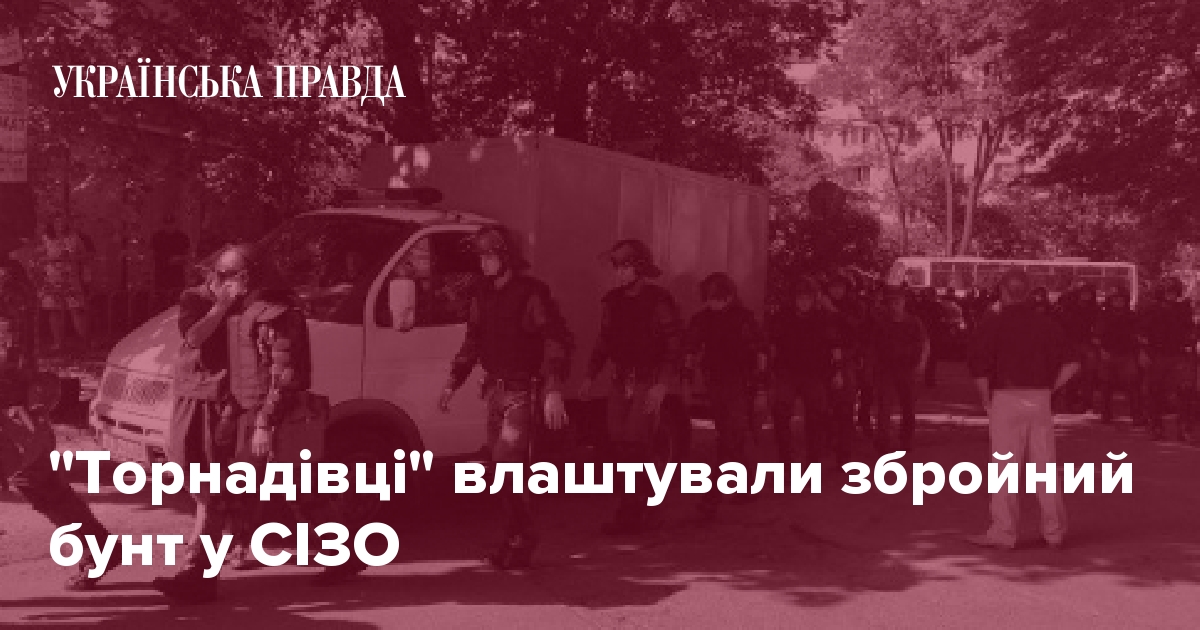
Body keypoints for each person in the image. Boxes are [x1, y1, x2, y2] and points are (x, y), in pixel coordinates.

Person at [152, 244, 313, 603]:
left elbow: (284, 375)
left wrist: (264, 423)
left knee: (300, 492)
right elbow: (241, 374)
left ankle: (344, 554)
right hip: (243, 414)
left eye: (226, 275)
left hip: (269, 417)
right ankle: (198, 577)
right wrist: (231, 417)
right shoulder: (244, 311)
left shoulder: (276, 314)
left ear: (246, 276)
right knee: (224, 494)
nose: (219, 281)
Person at [439, 226, 573, 569]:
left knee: (506, 466)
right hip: (495, 393)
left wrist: (553, 388)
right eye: (481, 256)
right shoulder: (482, 294)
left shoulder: (530, 293)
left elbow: (555, 338)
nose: (484, 263)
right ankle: (516, 537)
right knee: (502, 473)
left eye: (490, 255)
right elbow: (472, 341)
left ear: (506, 257)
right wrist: (453, 382)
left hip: (520, 392)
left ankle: (522, 537)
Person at [1, 252, 124, 590]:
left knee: (41, 485)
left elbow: (9, 349)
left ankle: (99, 548)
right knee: (42, 485)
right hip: (19, 405)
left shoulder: (6, 283)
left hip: (11, 407)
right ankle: (100, 547)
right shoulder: (12, 277)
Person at [967, 269, 1079, 551]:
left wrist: (986, 400)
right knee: (1045, 466)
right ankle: (1054, 532)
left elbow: (980, 366)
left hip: (1005, 397)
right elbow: (1073, 363)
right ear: (1029, 293)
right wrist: (1050, 388)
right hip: (1039, 397)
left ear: (1003, 291)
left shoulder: (992, 323)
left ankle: (1004, 532)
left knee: (1004, 468)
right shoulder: (1047, 324)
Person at [581, 239, 683, 536]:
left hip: (647, 380)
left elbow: (674, 345)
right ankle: (630, 510)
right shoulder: (612, 301)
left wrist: (662, 385)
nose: (620, 272)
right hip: (620, 380)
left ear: (639, 268)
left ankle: (645, 510)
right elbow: (604, 341)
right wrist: (589, 376)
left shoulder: (658, 301)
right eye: (617, 267)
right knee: (620, 445)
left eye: (625, 266)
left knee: (638, 445)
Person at [686, 272, 767, 519]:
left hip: (738, 383)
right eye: (710, 298)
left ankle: (713, 495)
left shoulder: (743, 319)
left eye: (717, 297)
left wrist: (760, 387)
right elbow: (690, 347)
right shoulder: (703, 319)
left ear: (729, 296)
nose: (713, 302)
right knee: (728, 435)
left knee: (730, 437)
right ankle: (747, 483)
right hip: (716, 382)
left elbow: (760, 354)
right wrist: (687, 377)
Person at [769, 277, 837, 464]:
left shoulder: (823, 319)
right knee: (781, 414)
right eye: (800, 297)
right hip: (787, 372)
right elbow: (772, 344)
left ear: (814, 299)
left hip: (814, 374)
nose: (803, 301)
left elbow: (835, 345)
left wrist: (837, 371)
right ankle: (786, 460)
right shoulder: (783, 317)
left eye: (807, 297)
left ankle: (813, 461)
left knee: (816, 418)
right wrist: (769, 370)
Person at [869, 286, 928, 454]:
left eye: (898, 302)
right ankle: (883, 441)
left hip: (907, 369)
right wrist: (873, 367)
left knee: (908, 407)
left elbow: (923, 344)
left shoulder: (914, 322)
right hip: (886, 370)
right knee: (884, 407)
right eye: (892, 302)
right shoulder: (882, 323)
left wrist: (921, 364)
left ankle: (906, 439)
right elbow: (874, 346)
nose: (895, 306)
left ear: (903, 303)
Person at [1139, 277, 1196, 441]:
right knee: (1155, 392)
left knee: (1184, 392)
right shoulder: (1152, 310)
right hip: (1157, 355)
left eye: (1173, 291)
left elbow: (1190, 330)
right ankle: (1156, 427)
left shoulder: (1184, 309)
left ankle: (1184, 428)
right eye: (1167, 291)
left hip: (1179, 354)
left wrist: (1191, 342)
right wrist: (1143, 352)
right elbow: (1142, 333)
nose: (1170, 294)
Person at [34, 216, 90, 353]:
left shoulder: (74, 238)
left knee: (76, 309)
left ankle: (85, 342)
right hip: (52, 279)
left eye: (63, 221)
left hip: (71, 279)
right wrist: (51, 259)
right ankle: (58, 343)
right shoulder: (46, 239)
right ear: (52, 224)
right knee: (54, 311)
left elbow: (85, 256)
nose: (60, 224)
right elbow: (36, 257)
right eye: (57, 222)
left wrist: (73, 258)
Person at [1095, 288, 1142, 424]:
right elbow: (1096, 336)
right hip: (1108, 354)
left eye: (1121, 300)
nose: (1118, 302)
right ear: (1110, 301)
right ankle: (1106, 414)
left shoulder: (1132, 316)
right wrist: (1101, 351)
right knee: (1106, 385)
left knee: (1132, 385)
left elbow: (1137, 335)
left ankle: (1136, 415)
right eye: (1115, 299)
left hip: (1127, 355)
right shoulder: (1103, 316)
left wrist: (1137, 350)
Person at [152, 213, 192, 308]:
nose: (169, 226)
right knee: (161, 304)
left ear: (175, 224)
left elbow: (188, 256)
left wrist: (179, 259)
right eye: (167, 223)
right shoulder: (157, 237)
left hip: (177, 276)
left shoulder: (183, 237)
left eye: (171, 223)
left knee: (176, 303)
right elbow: (152, 255)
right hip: (161, 276)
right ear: (163, 224)